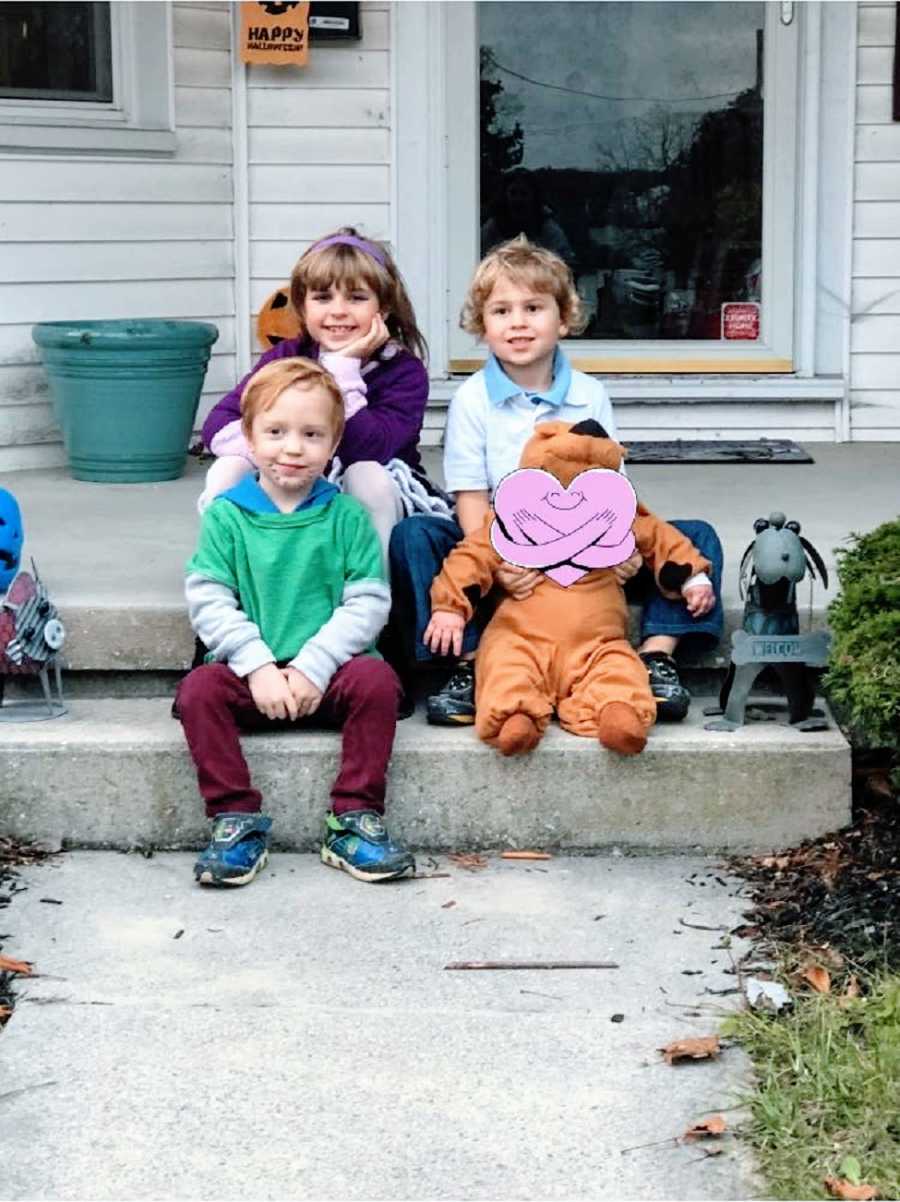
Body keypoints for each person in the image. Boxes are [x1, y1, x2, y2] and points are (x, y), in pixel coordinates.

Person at [388, 236, 723, 726]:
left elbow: (612, 489)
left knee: (696, 537)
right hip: (504, 553)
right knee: (414, 536)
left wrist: (624, 549)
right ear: (482, 326)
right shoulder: (473, 399)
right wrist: (500, 564)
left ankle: (656, 654)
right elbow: (472, 499)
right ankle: (468, 662)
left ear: (563, 318)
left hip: (587, 561)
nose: (518, 322)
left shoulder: (589, 394)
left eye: (533, 308)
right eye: (501, 311)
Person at [175, 356, 414, 887]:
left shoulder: (346, 515)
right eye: (276, 431)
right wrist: (258, 666)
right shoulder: (228, 515)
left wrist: (314, 665)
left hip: (329, 677)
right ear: (249, 437)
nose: (292, 447)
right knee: (198, 692)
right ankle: (234, 817)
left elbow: (368, 603)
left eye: (311, 434)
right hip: (250, 676)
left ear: (333, 445)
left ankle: (352, 818)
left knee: (378, 683)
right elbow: (210, 600)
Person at [199, 228, 450, 566]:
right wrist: (279, 456)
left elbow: (368, 449)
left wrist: (342, 368)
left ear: (385, 307)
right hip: (292, 478)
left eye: (357, 298)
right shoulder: (287, 357)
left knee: (366, 476)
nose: (339, 311)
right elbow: (219, 423)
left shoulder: (403, 372)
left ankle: (374, 594)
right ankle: (230, 577)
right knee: (228, 468)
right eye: (322, 297)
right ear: (302, 305)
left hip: (372, 495)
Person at [481, 169, 576, 268]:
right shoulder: (493, 228)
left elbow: (566, 264)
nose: (518, 199)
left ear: (534, 197)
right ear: (505, 196)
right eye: (513, 193)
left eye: (524, 193)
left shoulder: (546, 228)